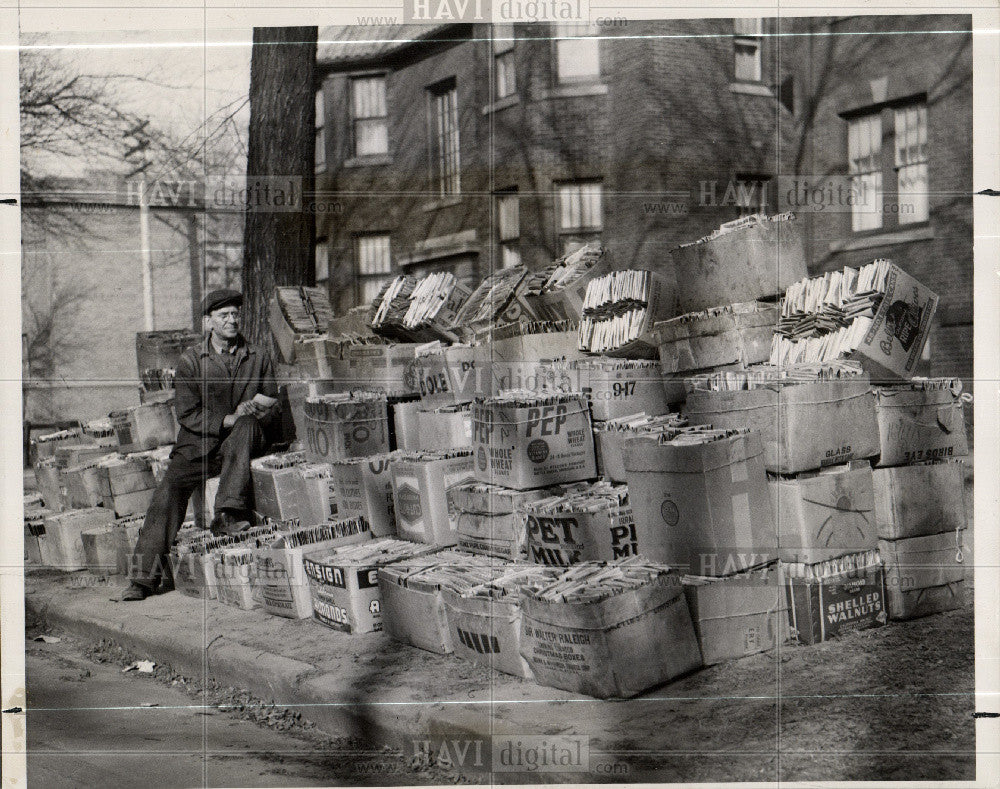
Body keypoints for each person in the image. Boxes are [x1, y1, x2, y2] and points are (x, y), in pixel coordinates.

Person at [121, 289, 279, 602]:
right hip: (197, 447)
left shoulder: (257, 356)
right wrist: (227, 419)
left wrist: (259, 409)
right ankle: (142, 579)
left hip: (242, 444)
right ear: (208, 322)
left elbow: (272, 399)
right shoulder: (191, 361)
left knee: (247, 426)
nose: (232, 320)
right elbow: (187, 413)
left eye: (235, 314)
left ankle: (227, 515)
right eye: (224, 316)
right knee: (167, 495)